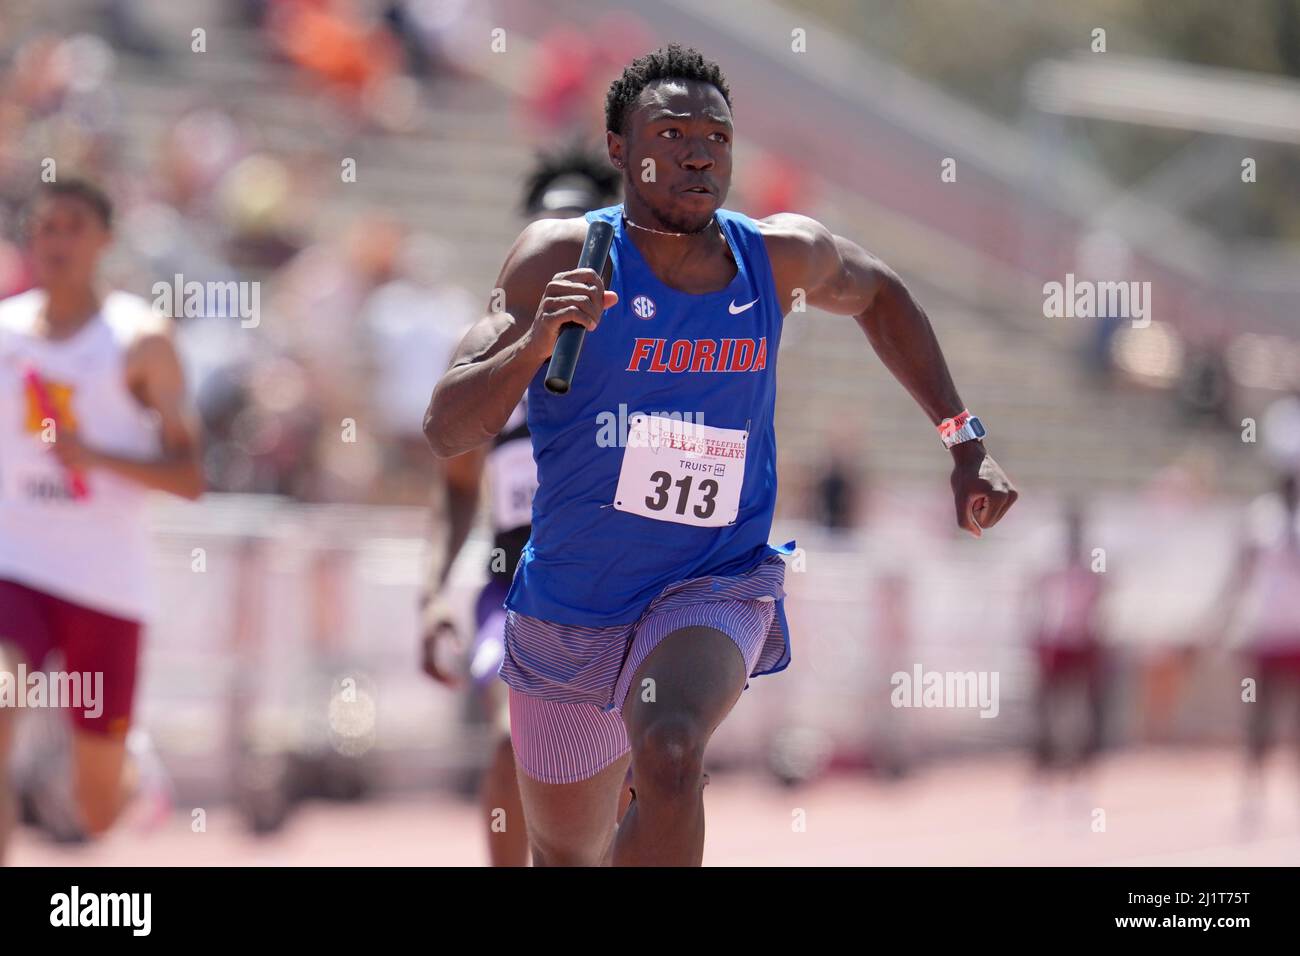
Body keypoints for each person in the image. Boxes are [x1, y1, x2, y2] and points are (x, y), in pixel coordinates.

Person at [423, 45, 1018, 867]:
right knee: (566, 854)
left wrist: (964, 439)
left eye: (717, 135)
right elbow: (446, 427)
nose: (699, 151)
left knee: (668, 751)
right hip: (570, 600)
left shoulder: (775, 259)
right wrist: (532, 345)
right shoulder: (558, 258)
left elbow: (880, 290)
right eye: (671, 132)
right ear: (619, 149)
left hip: (711, 580)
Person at [420, 143, 621, 866]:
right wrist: (436, 595)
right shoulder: (485, 358)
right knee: (514, 738)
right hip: (513, 588)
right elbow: (455, 488)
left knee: (624, 774)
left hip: (620, 591)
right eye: (543, 231)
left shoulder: (641, 354)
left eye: (576, 232)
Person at [0, 178, 204, 861]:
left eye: (73, 226)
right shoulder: (3, 332)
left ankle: (134, 774)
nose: (57, 240)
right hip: (14, 565)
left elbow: (190, 478)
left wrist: (95, 456)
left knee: (94, 814)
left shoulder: (140, 340)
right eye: (46, 226)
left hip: (104, 583)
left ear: (104, 240)